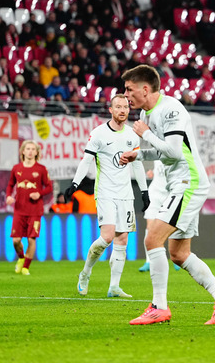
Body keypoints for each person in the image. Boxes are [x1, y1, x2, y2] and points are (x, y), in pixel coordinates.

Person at [119, 64, 215, 325]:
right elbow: (163, 152)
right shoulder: (148, 113)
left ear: (145, 88)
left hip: (188, 182)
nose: (126, 95)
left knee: (152, 240)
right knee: (179, 254)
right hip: (178, 183)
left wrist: (145, 134)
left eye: (129, 90)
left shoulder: (171, 109)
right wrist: (138, 154)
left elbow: (173, 152)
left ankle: (159, 307)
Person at [65, 94, 150, 298]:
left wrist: (144, 191)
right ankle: (85, 273)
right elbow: (86, 161)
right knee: (107, 237)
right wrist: (75, 183)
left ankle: (114, 287)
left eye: (126, 107)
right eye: (118, 106)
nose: (122, 110)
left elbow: (137, 163)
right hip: (105, 192)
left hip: (125, 194)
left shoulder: (131, 135)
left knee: (122, 240)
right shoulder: (98, 134)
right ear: (110, 110)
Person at [6, 140, 53, 276]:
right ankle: (21, 258)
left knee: (31, 239)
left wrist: (39, 193)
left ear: (37, 152)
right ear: (23, 151)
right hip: (19, 209)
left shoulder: (41, 169)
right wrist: (8, 196)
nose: (31, 151)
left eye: (33, 149)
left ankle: (26, 267)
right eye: (28, 149)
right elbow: (10, 184)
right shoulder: (16, 168)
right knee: (16, 240)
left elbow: (49, 187)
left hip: (35, 210)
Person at [139, 161, 182, 273]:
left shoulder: (176, 151)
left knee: (171, 226)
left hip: (170, 193)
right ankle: (148, 261)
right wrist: (152, 172)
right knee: (150, 227)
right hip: (155, 194)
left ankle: (175, 259)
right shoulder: (157, 151)